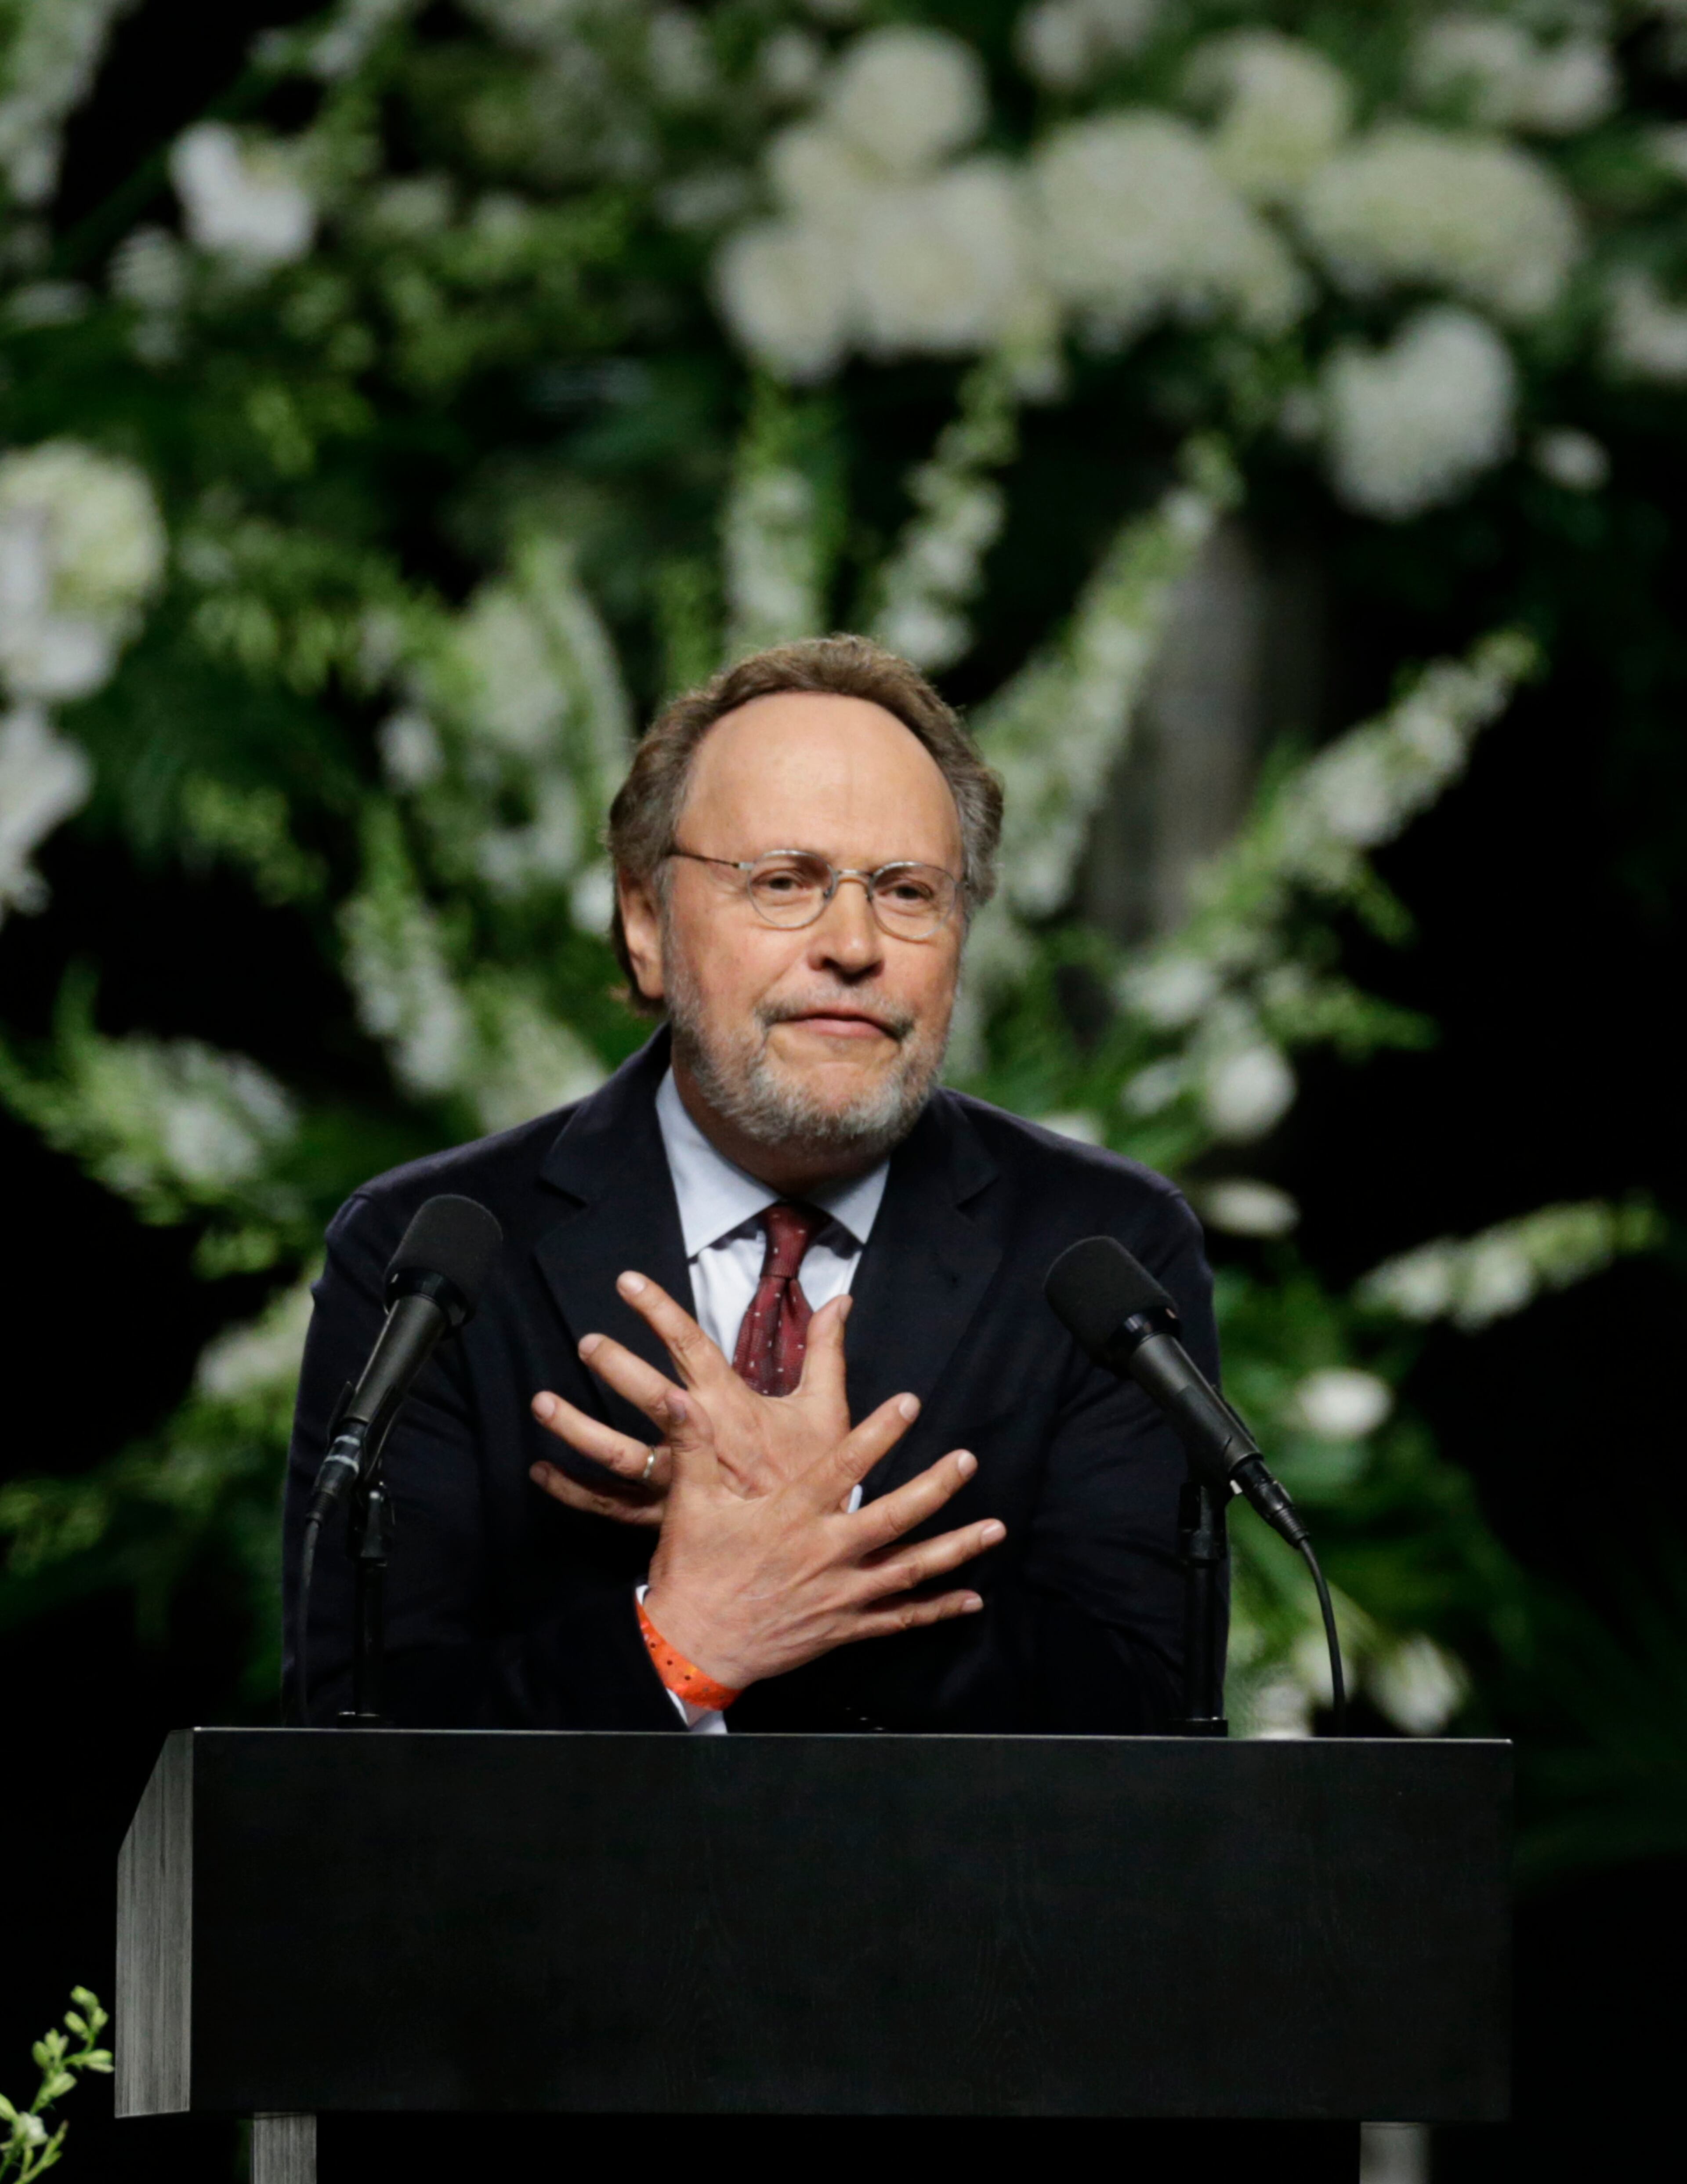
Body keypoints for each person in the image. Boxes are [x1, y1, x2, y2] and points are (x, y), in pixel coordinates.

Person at [283, 635, 1220, 1733]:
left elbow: (1155, 1730)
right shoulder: (434, 1256)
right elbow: (352, 1742)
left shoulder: (1099, 1251)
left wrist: (820, 1541)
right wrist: (678, 1646)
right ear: (645, 923)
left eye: (910, 891)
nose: (856, 943)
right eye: (786, 882)